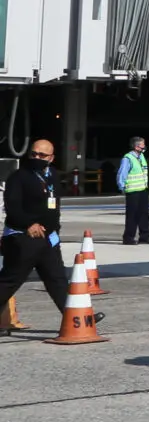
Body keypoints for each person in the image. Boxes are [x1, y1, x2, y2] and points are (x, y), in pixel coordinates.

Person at [0, 139, 74, 331]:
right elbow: (12, 206)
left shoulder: (53, 176)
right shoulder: (19, 177)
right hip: (23, 237)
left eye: (42, 155)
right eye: (33, 154)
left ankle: (76, 318)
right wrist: (28, 224)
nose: (37, 158)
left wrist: (55, 230)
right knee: (10, 281)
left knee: (57, 280)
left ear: (51, 158)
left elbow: (54, 206)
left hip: (48, 239)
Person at [117, 135, 149, 245]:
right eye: (142, 145)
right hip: (132, 191)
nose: (144, 147)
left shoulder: (141, 156)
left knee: (144, 214)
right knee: (132, 215)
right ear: (136, 146)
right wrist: (121, 186)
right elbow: (122, 173)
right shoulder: (127, 158)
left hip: (143, 189)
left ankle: (145, 236)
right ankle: (128, 237)